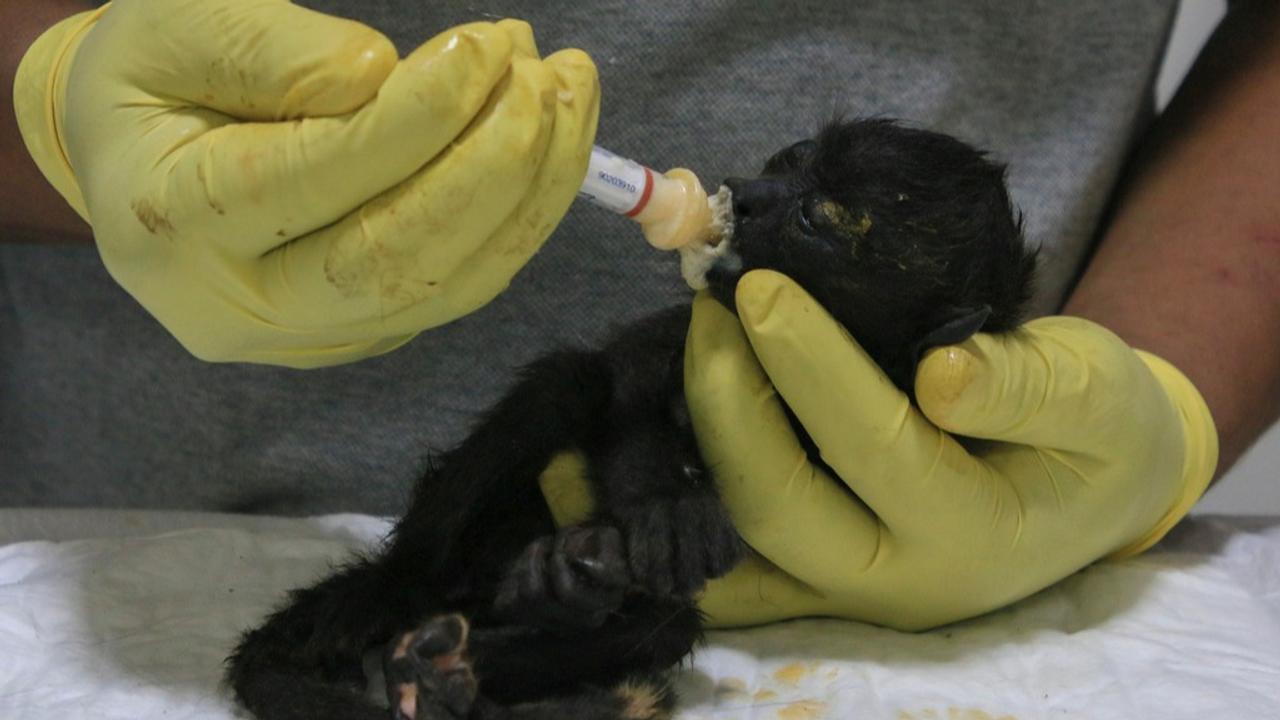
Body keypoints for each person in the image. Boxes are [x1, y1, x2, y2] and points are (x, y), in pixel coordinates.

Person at [2, 0, 1276, 631]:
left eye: (814, 207)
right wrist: (57, 109)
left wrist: (1156, 401)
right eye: (788, 169)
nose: (760, 198)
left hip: (1000, 553)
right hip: (144, 545)